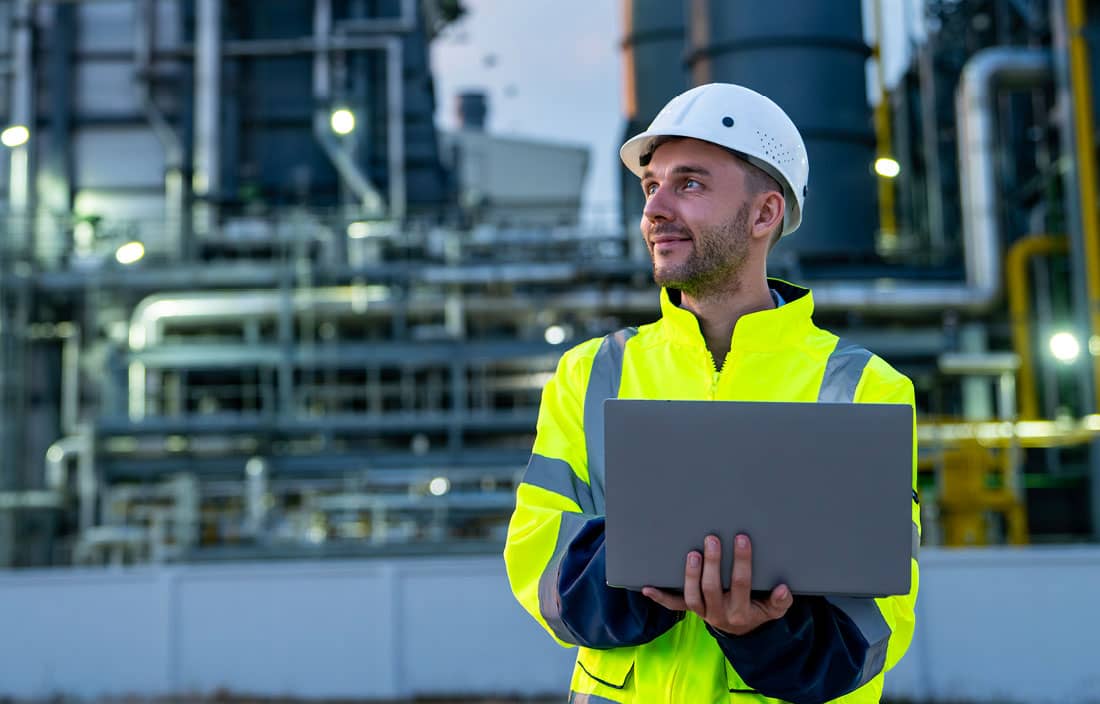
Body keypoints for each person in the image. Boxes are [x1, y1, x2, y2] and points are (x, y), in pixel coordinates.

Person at [503, 83, 920, 704]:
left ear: (764, 214)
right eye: (651, 186)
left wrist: (761, 631)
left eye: (689, 184)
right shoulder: (590, 374)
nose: (654, 210)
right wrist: (657, 574)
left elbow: (878, 624)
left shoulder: (865, 389)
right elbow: (540, 566)